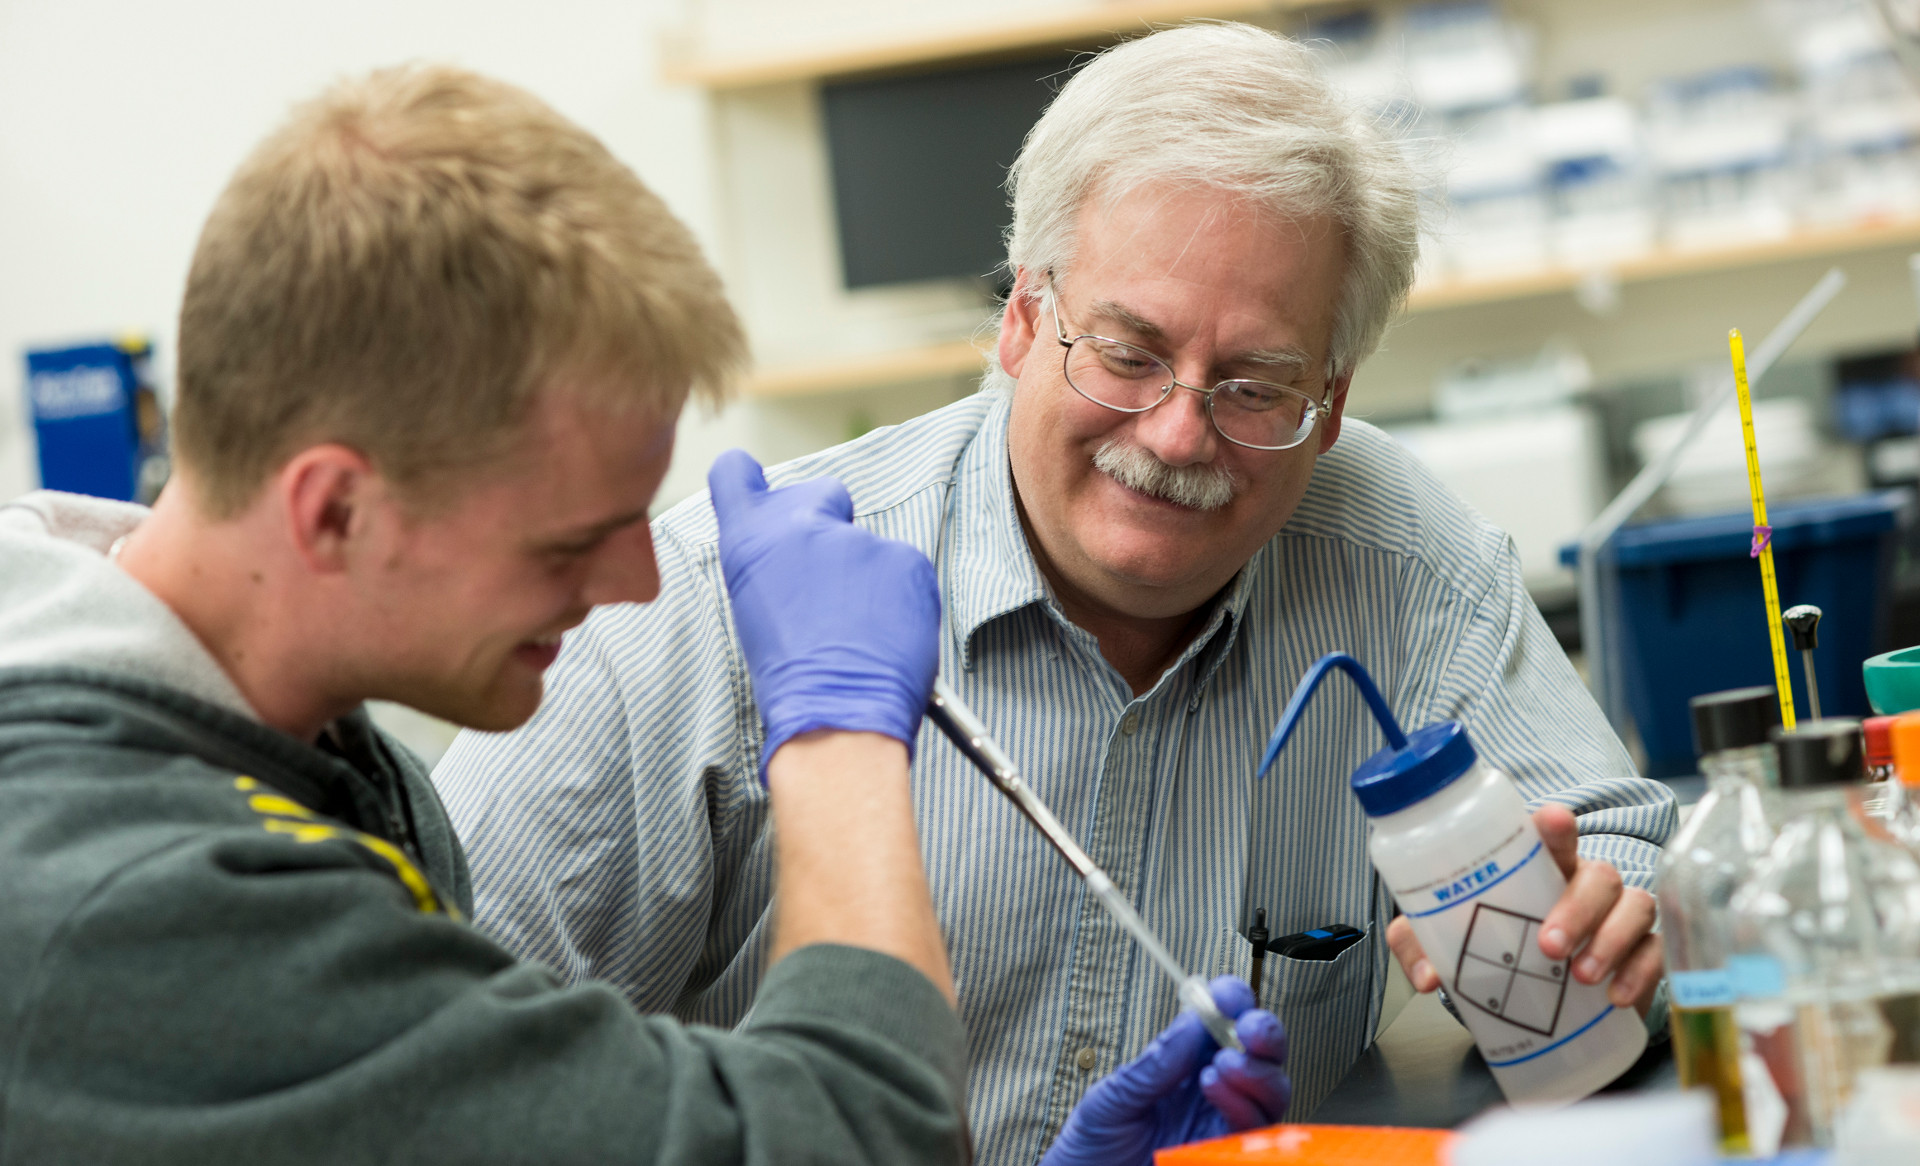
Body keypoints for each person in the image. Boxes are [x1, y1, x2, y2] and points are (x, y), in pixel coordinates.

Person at [434, 23, 1677, 1166]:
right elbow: (433, 1069)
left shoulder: (1401, 564)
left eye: (1254, 385)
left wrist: (1603, 922)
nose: (1179, 433)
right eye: (1129, 353)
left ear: (1333, 401)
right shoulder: (711, 603)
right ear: (1023, 316)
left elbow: (1621, 845)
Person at [0, 64, 1286, 1165]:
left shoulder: (320, 756)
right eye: (571, 537)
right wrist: (838, 726)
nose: (638, 580)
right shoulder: (121, 892)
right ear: (334, 509)